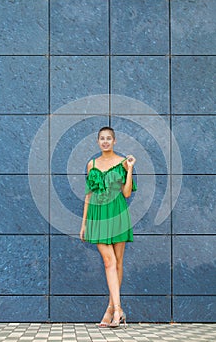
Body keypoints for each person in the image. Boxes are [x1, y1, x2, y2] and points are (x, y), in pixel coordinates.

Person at [80, 126, 137, 328]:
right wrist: (84, 223)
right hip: (97, 215)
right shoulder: (91, 164)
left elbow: (127, 193)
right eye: (102, 138)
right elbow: (88, 194)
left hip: (118, 213)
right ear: (98, 142)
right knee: (108, 261)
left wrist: (129, 169)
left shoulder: (122, 162)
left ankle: (110, 310)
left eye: (109, 138)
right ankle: (119, 309)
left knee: (118, 262)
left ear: (115, 141)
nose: (105, 141)